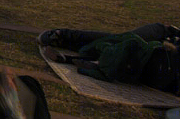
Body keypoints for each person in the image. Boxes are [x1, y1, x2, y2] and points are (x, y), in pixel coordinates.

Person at [39, 24, 179, 95]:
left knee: (125, 40)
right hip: (157, 77)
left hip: (159, 63)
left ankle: (65, 36)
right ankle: (71, 50)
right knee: (121, 48)